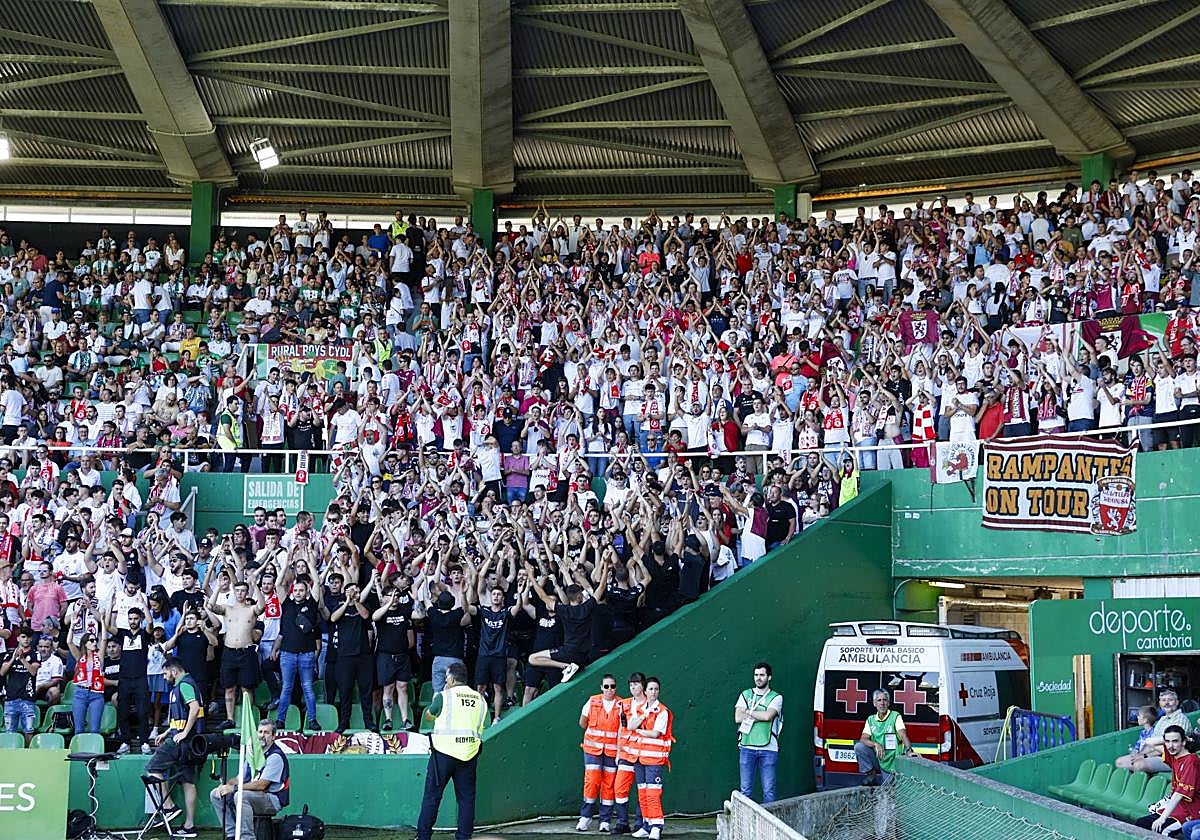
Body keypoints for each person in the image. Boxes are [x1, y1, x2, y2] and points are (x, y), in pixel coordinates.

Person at [415, 662, 487, 840]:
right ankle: (464, 837)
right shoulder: (480, 700)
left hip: (443, 754)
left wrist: (439, 698)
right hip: (469, 754)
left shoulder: (444, 696)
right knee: (466, 799)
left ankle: (423, 836)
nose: (445, 681)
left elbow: (429, 716)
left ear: (452, 679)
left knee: (432, 797)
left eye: (447, 677)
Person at [144, 657, 204, 838]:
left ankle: (169, 806)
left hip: (181, 741)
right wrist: (167, 731)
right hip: (191, 743)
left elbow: (194, 708)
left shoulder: (184, 685)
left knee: (152, 768)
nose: (164, 677)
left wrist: (184, 733)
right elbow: (183, 715)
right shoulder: (187, 684)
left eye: (165, 673)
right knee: (188, 782)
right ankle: (189, 826)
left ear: (174, 671)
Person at [209, 719, 291, 840]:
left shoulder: (275, 756)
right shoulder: (253, 754)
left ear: (273, 736)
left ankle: (246, 837)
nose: (262, 735)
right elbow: (239, 779)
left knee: (240, 796)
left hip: (272, 799)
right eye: (260, 732)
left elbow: (261, 785)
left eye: (267, 733)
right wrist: (225, 785)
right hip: (254, 795)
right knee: (215, 794)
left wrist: (234, 788)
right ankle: (232, 834)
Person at [576, 673, 621, 832]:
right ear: (601, 687)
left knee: (609, 785)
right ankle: (585, 817)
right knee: (592, 782)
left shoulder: (622, 704)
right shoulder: (592, 701)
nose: (609, 689)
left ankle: (605, 821)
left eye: (612, 686)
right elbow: (582, 722)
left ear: (616, 688)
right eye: (606, 686)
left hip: (612, 752)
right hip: (592, 749)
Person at [1136, 725, 1199, 835]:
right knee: (1140, 824)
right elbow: (1149, 742)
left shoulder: (1191, 761)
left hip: (1191, 812)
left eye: (1175, 741)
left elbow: (1178, 795)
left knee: (1162, 830)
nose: (1171, 746)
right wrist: (1167, 739)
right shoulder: (1174, 755)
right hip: (1176, 808)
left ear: (1183, 742)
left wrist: (1162, 818)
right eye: (1168, 742)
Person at [631, 676, 673, 840]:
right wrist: (642, 718)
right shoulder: (639, 708)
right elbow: (630, 726)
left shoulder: (662, 711)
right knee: (642, 793)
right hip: (639, 758)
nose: (653, 692)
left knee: (653, 794)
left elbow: (655, 733)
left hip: (654, 759)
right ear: (645, 691)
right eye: (651, 689)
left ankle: (656, 826)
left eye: (656, 689)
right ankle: (646, 825)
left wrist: (639, 731)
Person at [735, 661, 783, 803]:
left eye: (762, 675)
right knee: (745, 790)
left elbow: (768, 716)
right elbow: (738, 717)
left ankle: (768, 818)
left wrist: (748, 712)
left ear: (769, 677)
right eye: (756, 675)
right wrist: (758, 715)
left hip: (769, 748)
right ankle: (744, 818)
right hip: (747, 747)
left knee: (769, 791)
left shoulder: (776, 697)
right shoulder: (745, 694)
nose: (758, 678)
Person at [1118, 688, 1192, 773]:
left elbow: (1170, 746)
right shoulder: (1162, 720)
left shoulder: (1181, 719)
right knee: (1120, 762)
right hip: (1156, 755)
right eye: (1163, 700)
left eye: (1170, 700)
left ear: (1177, 702)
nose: (1167, 703)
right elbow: (1151, 743)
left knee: (1139, 764)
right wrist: (1140, 754)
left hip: (1173, 758)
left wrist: (1145, 756)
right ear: (1160, 703)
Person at [855, 689, 913, 785]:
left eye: (885, 700)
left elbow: (903, 734)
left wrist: (909, 750)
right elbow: (863, 738)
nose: (882, 703)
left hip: (892, 760)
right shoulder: (870, 719)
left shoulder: (895, 716)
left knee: (888, 789)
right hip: (879, 757)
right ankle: (871, 774)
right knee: (859, 747)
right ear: (875, 703)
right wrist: (876, 744)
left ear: (888, 703)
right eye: (879, 700)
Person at [612, 672, 646, 834]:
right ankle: (622, 823)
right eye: (631, 684)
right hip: (626, 754)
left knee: (643, 790)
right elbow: (621, 728)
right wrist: (618, 752)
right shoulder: (624, 704)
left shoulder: (650, 705)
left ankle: (640, 823)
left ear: (643, 685)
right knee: (619, 788)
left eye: (636, 684)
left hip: (643, 755)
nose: (633, 687)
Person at [1, 626, 40, 745]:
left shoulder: (35, 654)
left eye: (28, 637)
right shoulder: (9, 654)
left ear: (31, 639)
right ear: (18, 638)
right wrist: (14, 658)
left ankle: (29, 753)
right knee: (9, 731)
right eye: (23, 637)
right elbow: (2, 672)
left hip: (27, 698)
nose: (26, 639)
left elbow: (33, 672)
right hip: (11, 698)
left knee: (28, 730)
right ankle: (10, 753)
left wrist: (22, 659)